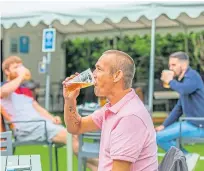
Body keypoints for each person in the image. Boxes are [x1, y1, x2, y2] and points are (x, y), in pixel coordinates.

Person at [63, 50, 158, 171]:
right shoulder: (114, 107)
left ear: (117, 75)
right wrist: (69, 100)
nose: (93, 75)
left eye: (99, 69)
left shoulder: (129, 117)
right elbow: (76, 127)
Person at [0, 56, 98, 171]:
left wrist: (52, 118)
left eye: (21, 66)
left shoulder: (26, 90)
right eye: (15, 67)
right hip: (26, 128)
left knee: (74, 135)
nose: (20, 69)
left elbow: (38, 109)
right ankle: (101, 166)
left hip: (41, 124)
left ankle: (100, 167)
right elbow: (3, 92)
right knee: (71, 137)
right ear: (6, 71)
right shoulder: (4, 87)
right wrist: (21, 75)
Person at [156, 51, 204, 164]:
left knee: (159, 138)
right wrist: (164, 125)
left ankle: (186, 156)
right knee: (159, 136)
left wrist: (170, 81)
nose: (170, 68)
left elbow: (184, 89)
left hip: (199, 125)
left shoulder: (192, 76)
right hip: (192, 124)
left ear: (183, 65)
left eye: (173, 65)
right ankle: (186, 157)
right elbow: (179, 108)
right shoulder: (184, 80)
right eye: (169, 65)